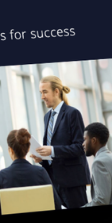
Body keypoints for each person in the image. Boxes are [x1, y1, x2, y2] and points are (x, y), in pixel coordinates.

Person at [32, 75, 90, 209]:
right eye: (41, 93)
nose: (42, 97)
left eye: (45, 92)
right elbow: (53, 151)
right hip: (54, 181)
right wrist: (42, 158)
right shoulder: (47, 117)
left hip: (72, 181)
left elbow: (80, 148)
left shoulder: (72, 114)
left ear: (56, 91)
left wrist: (52, 150)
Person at [0, 128, 63, 216]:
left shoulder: (3, 175)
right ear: (28, 148)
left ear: (10, 150)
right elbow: (56, 204)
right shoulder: (40, 172)